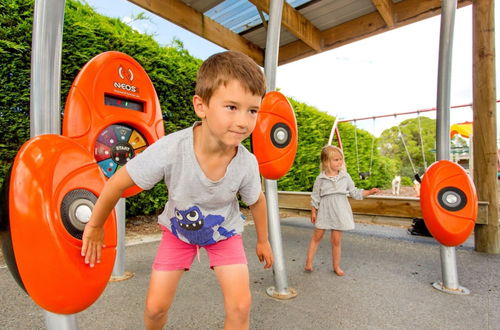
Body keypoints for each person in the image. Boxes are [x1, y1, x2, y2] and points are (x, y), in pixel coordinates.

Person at [81, 50, 274, 330]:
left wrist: (263, 240)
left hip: (224, 233)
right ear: (201, 106)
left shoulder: (246, 162)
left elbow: (256, 200)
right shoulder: (171, 149)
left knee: (241, 306)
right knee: (155, 308)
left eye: (252, 110)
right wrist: (96, 225)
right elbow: (118, 182)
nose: (244, 121)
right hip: (178, 232)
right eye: (231, 107)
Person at [304, 145, 379, 276]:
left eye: (340, 159)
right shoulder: (320, 178)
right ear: (327, 162)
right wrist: (313, 211)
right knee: (317, 236)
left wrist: (369, 192)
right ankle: (309, 263)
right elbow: (315, 196)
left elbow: (355, 192)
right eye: (336, 160)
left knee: (336, 241)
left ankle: (336, 266)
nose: (340, 162)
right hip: (325, 210)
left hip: (340, 210)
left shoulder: (345, 176)